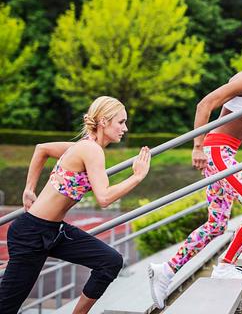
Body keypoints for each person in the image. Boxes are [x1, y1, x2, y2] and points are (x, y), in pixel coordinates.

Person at [148, 20, 242, 309]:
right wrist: (197, 146)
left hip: (224, 152)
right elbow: (204, 105)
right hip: (217, 152)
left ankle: (166, 270)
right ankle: (226, 263)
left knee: (217, 224)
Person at [0, 96, 151, 314]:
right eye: (121, 122)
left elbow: (41, 149)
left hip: (54, 231)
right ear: (104, 122)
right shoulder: (91, 150)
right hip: (32, 233)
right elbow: (104, 197)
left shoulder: (84, 148)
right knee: (6, 307)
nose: (125, 128)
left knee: (110, 261)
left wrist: (30, 189)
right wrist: (136, 177)